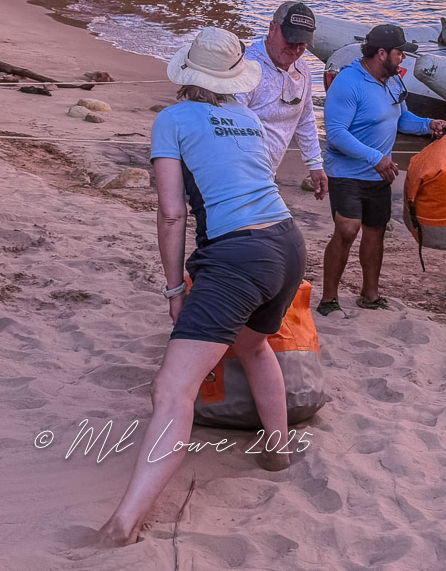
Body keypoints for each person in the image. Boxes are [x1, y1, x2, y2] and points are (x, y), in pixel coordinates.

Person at [99, 27, 308, 546]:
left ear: (188, 74)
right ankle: (277, 451)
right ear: (233, 79)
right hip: (288, 243)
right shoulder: (247, 119)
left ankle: (124, 525)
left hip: (238, 256)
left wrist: (174, 291)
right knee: (255, 345)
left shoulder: (171, 119)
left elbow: (171, 214)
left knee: (171, 391)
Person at [319, 25, 446, 315]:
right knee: (347, 229)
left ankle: (370, 294)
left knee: (375, 231)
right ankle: (329, 297)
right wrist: (375, 157)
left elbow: (402, 120)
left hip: (379, 173)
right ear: (381, 53)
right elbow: (336, 133)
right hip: (346, 171)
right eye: (399, 53)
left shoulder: (392, 82)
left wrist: (429, 124)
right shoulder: (347, 82)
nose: (403, 58)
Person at [235, 1, 328, 200]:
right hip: (236, 172)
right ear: (272, 28)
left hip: (268, 174)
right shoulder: (248, 67)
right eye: (290, 41)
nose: (295, 50)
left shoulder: (302, 70)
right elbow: (231, 125)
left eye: (301, 44)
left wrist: (315, 163)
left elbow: (305, 118)